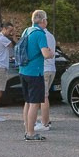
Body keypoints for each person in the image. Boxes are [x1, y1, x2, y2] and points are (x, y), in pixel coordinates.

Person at [19, 8, 54, 141]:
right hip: (35, 71)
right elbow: (45, 54)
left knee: (27, 102)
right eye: (46, 20)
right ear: (43, 20)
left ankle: (27, 129)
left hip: (23, 70)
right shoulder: (40, 34)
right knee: (35, 103)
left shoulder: (27, 31)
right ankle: (31, 133)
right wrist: (51, 53)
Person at [38, 18, 59, 132]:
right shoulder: (50, 35)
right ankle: (46, 120)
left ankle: (45, 123)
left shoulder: (41, 35)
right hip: (52, 68)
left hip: (44, 68)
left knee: (43, 97)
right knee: (45, 95)